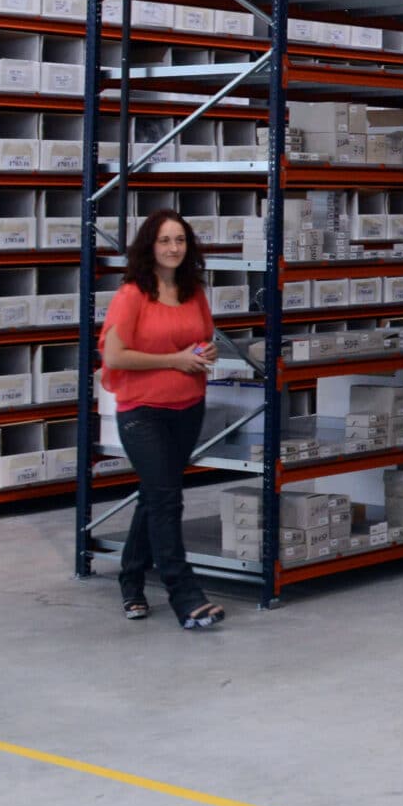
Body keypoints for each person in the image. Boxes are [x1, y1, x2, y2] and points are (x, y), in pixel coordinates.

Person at [100, 208, 225, 630]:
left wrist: (207, 354)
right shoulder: (133, 294)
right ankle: (185, 594)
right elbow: (114, 356)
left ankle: (131, 582)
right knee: (168, 499)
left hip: (188, 407)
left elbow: (205, 341)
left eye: (180, 240)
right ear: (149, 246)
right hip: (142, 412)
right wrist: (174, 360)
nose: (174, 248)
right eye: (165, 240)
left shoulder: (193, 292)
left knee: (157, 495)